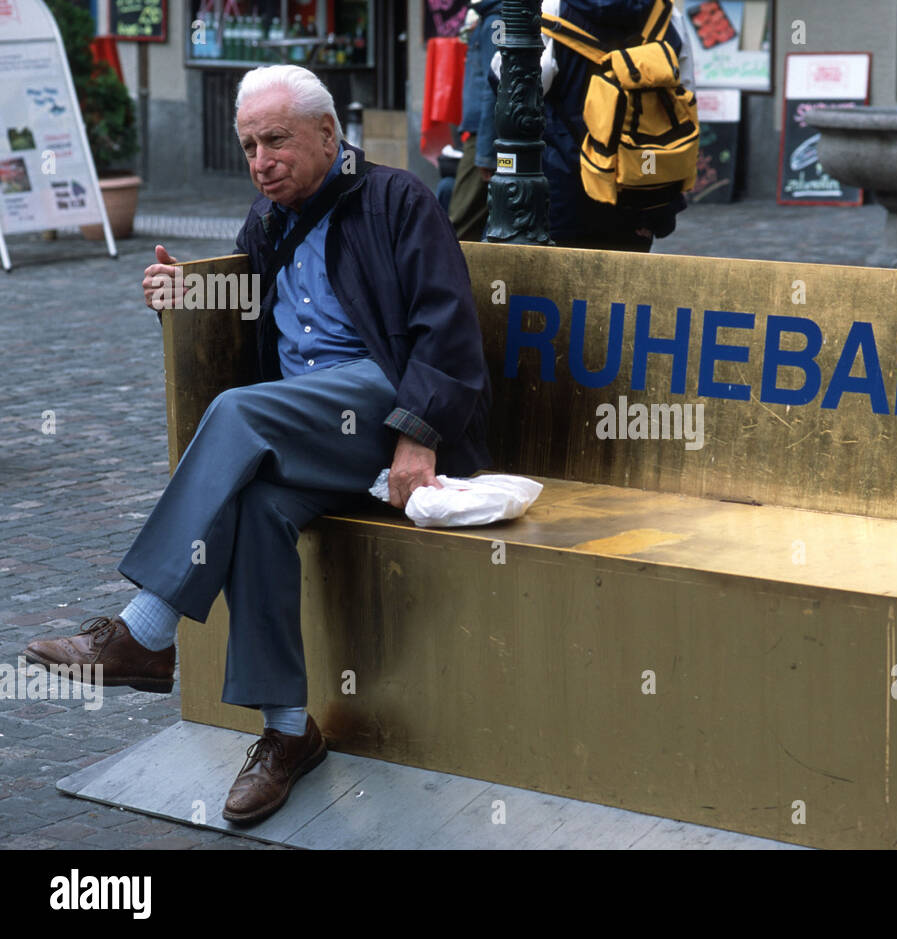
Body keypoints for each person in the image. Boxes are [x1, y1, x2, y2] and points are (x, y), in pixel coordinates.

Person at [23, 64, 491, 826]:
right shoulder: (267, 219)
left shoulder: (398, 200)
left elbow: (449, 330)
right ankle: (286, 732)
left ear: (328, 134)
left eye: (275, 140)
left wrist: (418, 437)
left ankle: (146, 632)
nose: (260, 161)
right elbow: (242, 319)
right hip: (307, 432)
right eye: (247, 146)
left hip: (387, 408)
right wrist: (181, 298)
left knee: (239, 414)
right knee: (258, 504)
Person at [494, 0, 691, 251]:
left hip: (564, 184)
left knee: (560, 284)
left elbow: (516, 86)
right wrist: (662, 206)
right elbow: (685, 103)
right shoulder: (666, 13)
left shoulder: (551, 8)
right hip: (639, 187)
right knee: (623, 285)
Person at [447, 0, 503, 241]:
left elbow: (494, 86)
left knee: (459, 224)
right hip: (482, 132)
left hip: (484, 135)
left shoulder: (494, 20)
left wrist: (484, 152)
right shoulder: (489, 18)